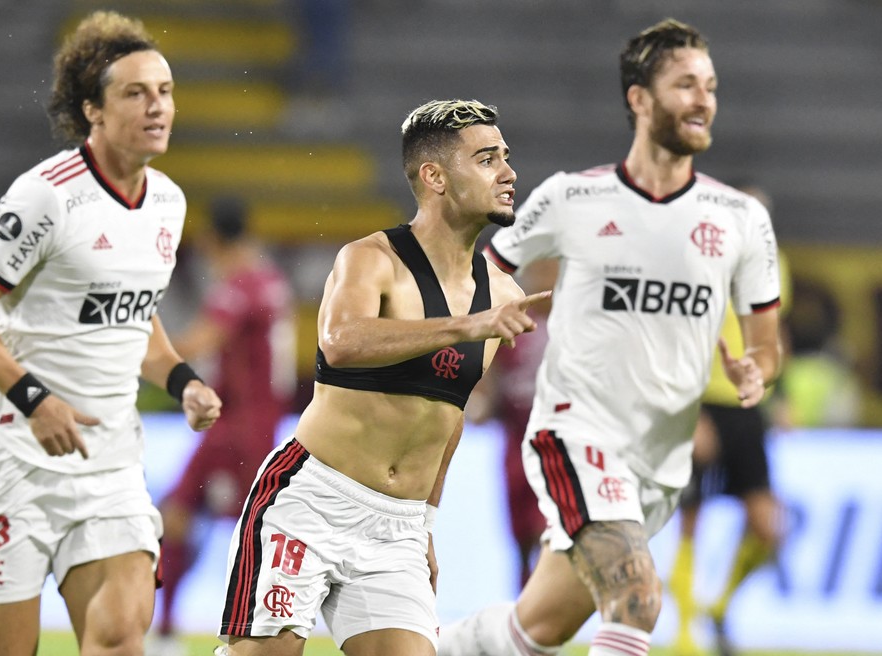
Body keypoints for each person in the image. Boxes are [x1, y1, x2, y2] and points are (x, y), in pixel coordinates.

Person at [438, 19, 783, 656]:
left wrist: (756, 368)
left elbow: (766, 338)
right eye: (685, 84)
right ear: (640, 100)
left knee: (537, 625)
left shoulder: (741, 220)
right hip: (576, 434)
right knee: (637, 598)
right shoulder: (573, 198)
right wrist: (462, 358)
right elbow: (484, 279)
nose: (704, 98)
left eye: (710, 85)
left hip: (660, 462)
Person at [0, 11, 221, 656]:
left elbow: (130, 317)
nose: (157, 107)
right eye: (135, 93)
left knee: (119, 637)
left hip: (111, 468)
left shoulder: (168, 202)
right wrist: (34, 397)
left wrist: (183, 379)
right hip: (19, 463)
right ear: (93, 111)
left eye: (164, 91)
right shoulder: (46, 197)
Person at [215, 99, 550, 656]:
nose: (509, 173)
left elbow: (449, 417)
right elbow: (341, 343)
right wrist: (464, 326)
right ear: (435, 176)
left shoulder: (503, 296)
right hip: (311, 500)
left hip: (396, 531)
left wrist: (426, 522)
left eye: (506, 158)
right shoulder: (372, 259)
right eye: (487, 159)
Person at [152, 196, 296, 654]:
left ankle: (170, 630)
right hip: (262, 422)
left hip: (236, 425)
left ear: (213, 240)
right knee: (242, 528)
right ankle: (244, 629)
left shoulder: (240, 286)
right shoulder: (270, 281)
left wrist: (145, 350)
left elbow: (202, 340)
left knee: (181, 514)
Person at [668, 184, 792, 656]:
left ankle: (718, 607)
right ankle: (683, 638)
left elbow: (775, 333)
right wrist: (687, 409)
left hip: (749, 405)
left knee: (767, 526)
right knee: (690, 520)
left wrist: (782, 391)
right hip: (702, 404)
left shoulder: (776, 264)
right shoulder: (698, 264)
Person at [467, 259, 557, 589]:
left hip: (559, 440)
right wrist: (480, 403)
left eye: (549, 272)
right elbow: (490, 373)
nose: (543, 281)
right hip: (516, 437)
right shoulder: (514, 323)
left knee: (548, 523)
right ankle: (523, 590)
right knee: (520, 528)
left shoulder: (575, 325)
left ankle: (545, 597)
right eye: (538, 273)